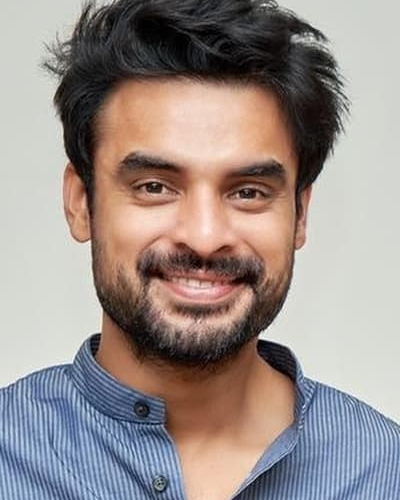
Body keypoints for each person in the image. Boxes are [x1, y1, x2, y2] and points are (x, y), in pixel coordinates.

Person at [0, 0, 399, 498]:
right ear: (81, 202)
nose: (205, 237)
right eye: (154, 187)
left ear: (300, 215)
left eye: (248, 192)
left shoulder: (384, 473)